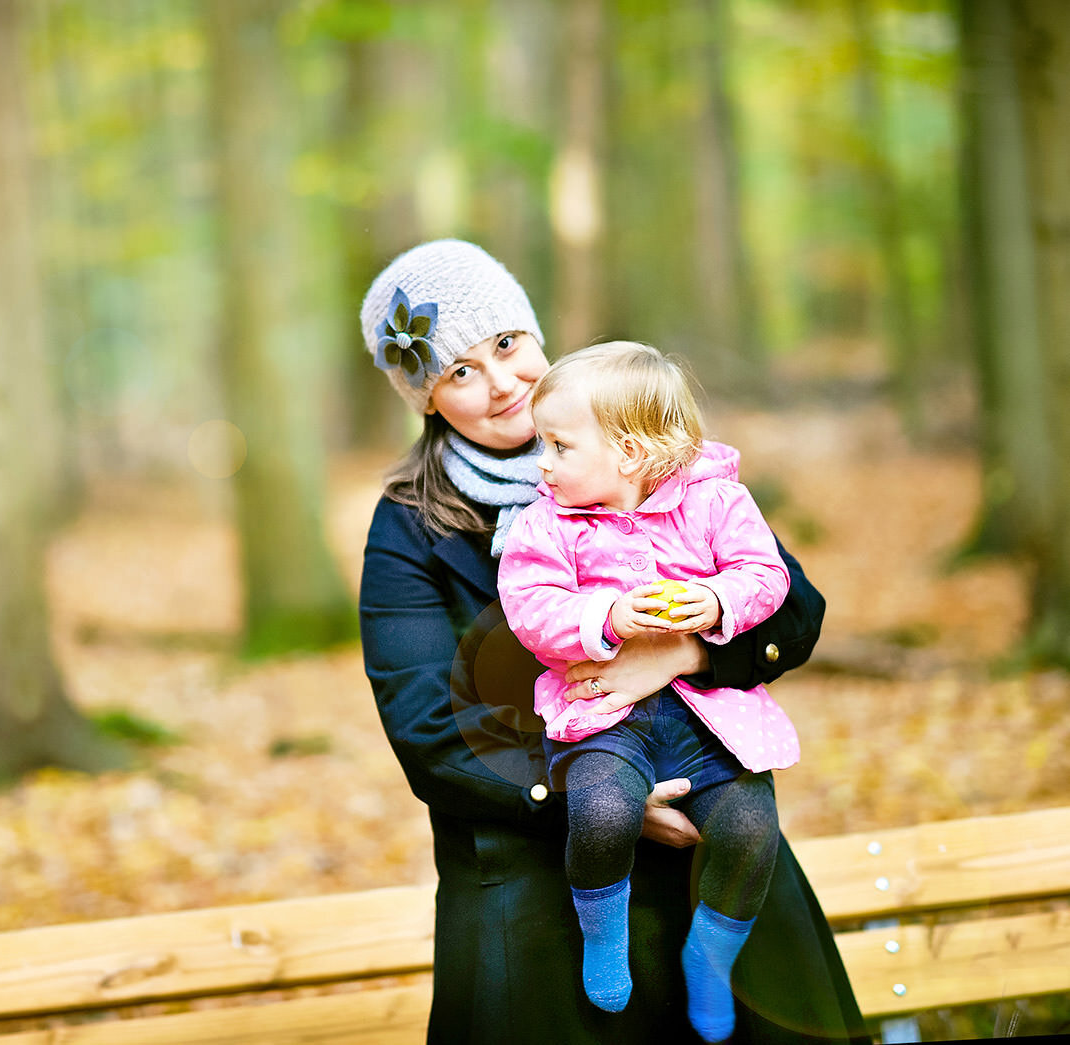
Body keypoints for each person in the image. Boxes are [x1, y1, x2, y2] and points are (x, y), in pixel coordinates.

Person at [356, 239, 866, 1044]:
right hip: (532, 859)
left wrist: (689, 653)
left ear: (534, 335)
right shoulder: (410, 527)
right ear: (424, 398)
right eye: (458, 371)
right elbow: (427, 726)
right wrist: (583, 798)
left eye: (506, 344)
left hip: (709, 821)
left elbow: (791, 608)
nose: (501, 383)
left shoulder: (649, 449)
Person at [496, 341, 800, 1041]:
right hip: (604, 713)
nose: (541, 462)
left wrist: (719, 600)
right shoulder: (546, 523)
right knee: (601, 813)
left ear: (629, 452)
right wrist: (601, 617)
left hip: (708, 715)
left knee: (753, 832)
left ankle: (712, 957)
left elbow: (766, 572)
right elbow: (530, 605)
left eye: (560, 445)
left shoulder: (717, 500)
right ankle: (604, 936)